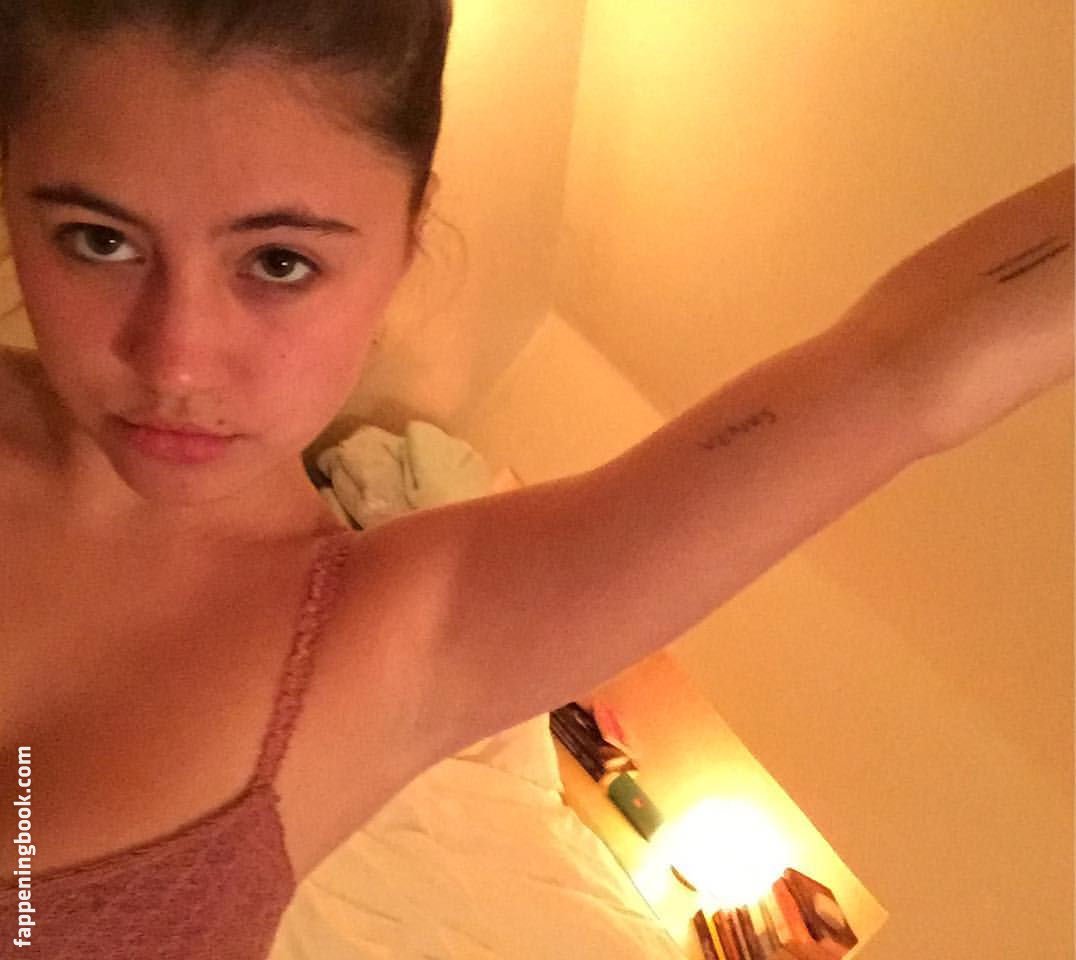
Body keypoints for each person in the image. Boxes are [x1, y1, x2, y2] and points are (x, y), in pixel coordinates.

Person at [0, 1, 1070, 957]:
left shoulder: (405, 634)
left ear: (409, 237)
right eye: (98, 240)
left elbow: (900, 372)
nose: (176, 363)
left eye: (280, 262)